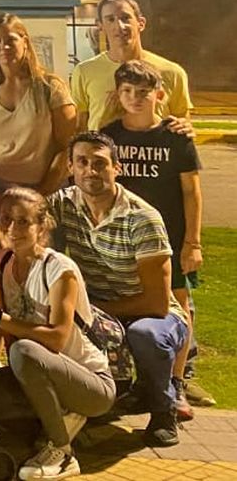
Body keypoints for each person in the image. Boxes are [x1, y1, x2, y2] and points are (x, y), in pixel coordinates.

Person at [46, 132, 189, 448]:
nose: (90, 171)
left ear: (117, 168)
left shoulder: (142, 217)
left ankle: (164, 411)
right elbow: (22, 225)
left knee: (146, 336)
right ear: (70, 168)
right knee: (54, 324)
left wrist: (90, 309)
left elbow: (157, 302)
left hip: (152, 314)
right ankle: (90, 406)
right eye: (82, 162)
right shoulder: (62, 204)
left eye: (100, 163)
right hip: (100, 310)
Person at [0, 188, 115, 481]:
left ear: (42, 226)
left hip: (91, 383)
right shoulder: (6, 262)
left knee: (23, 351)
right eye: (6, 219)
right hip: (38, 372)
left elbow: (57, 338)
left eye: (23, 222)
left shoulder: (60, 269)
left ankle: (62, 450)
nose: (12, 228)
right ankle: (54, 419)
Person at [101, 59, 205, 417]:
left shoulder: (176, 137)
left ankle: (176, 384)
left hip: (171, 240)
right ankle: (143, 383)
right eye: (128, 91)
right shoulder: (111, 136)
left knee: (179, 305)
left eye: (143, 92)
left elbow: (192, 192)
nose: (135, 98)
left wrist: (193, 242)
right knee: (136, 309)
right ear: (118, 95)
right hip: (126, 243)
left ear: (159, 94)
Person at [0, 14, 77, 215]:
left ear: (25, 41)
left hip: (44, 191)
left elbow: (67, 147)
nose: (3, 47)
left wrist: (40, 195)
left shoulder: (50, 87)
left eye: (11, 40)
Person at [71, 0, 194, 131]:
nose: (119, 26)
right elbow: (80, 126)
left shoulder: (172, 72)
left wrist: (185, 126)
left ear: (141, 23)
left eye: (125, 18)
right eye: (110, 19)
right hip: (104, 151)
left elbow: (182, 122)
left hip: (154, 151)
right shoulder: (85, 71)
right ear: (100, 26)